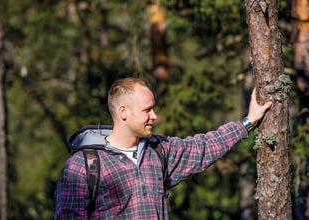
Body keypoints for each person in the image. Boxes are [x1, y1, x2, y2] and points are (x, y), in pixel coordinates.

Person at [54, 77, 272, 219]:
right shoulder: (83, 166)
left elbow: (203, 147)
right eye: (147, 110)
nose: (154, 116)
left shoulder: (158, 151)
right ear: (123, 112)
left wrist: (249, 121)